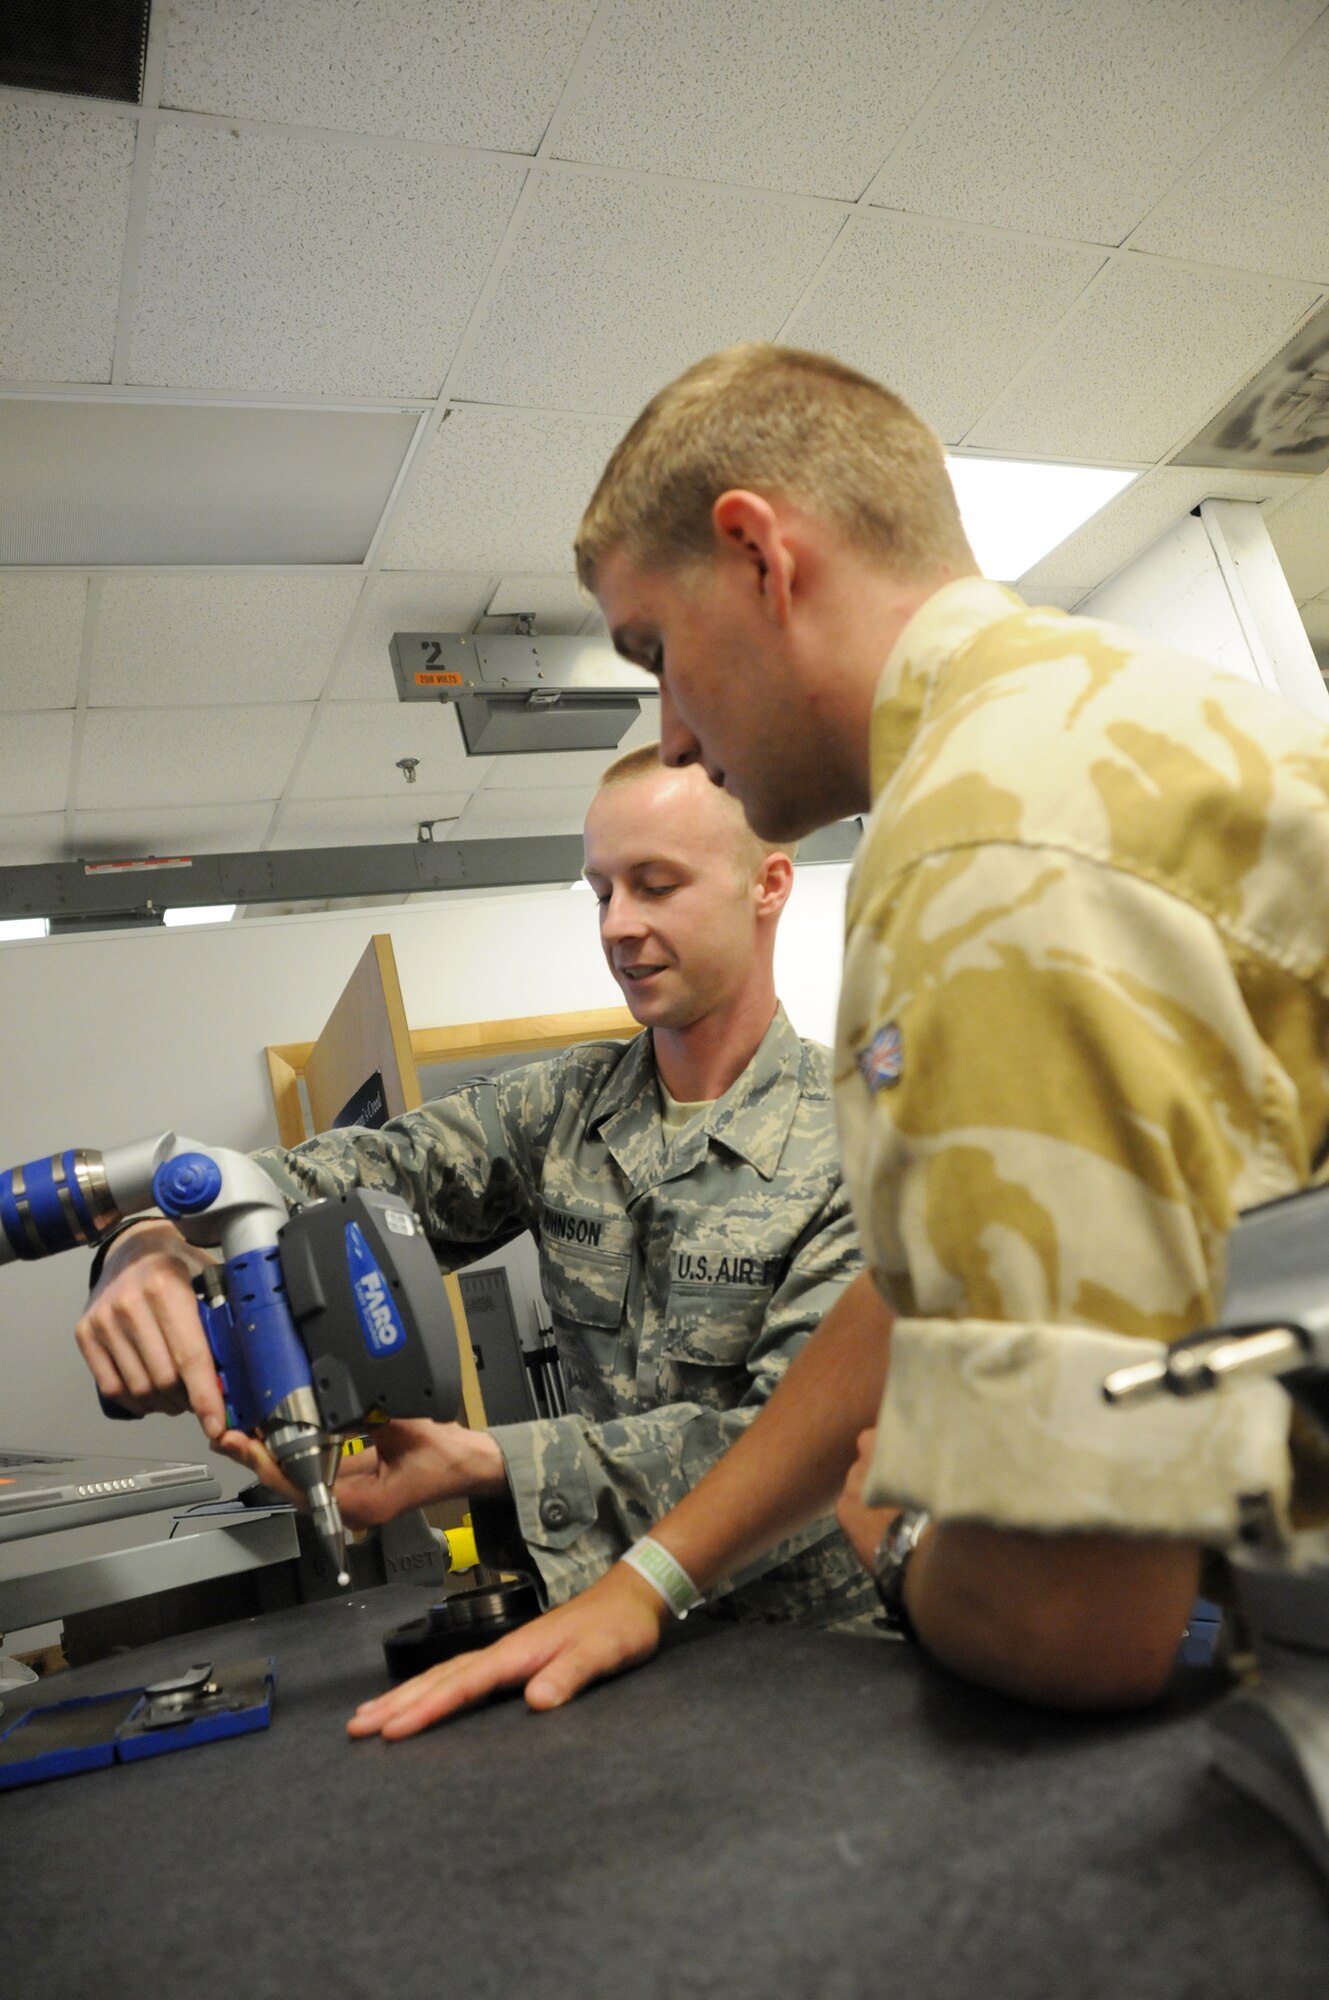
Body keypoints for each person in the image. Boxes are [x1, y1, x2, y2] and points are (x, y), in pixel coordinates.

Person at [344, 340, 1329, 1745]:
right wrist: (650, 1577)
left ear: (759, 555)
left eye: (656, 656)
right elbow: (906, 1294)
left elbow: (1075, 1619)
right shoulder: (1103, 722)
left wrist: (898, 1537)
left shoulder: (980, 857)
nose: (673, 737)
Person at [74, 746, 876, 1629]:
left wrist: (486, 1463)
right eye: (602, 891)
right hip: (607, 1629)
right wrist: (146, 1243)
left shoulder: (869, 1141)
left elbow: (792, 1446)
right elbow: (333, 1179)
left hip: (811, 1653)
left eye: (655, 885)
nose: (615, 924)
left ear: (767, 885)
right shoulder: (558, 1109)